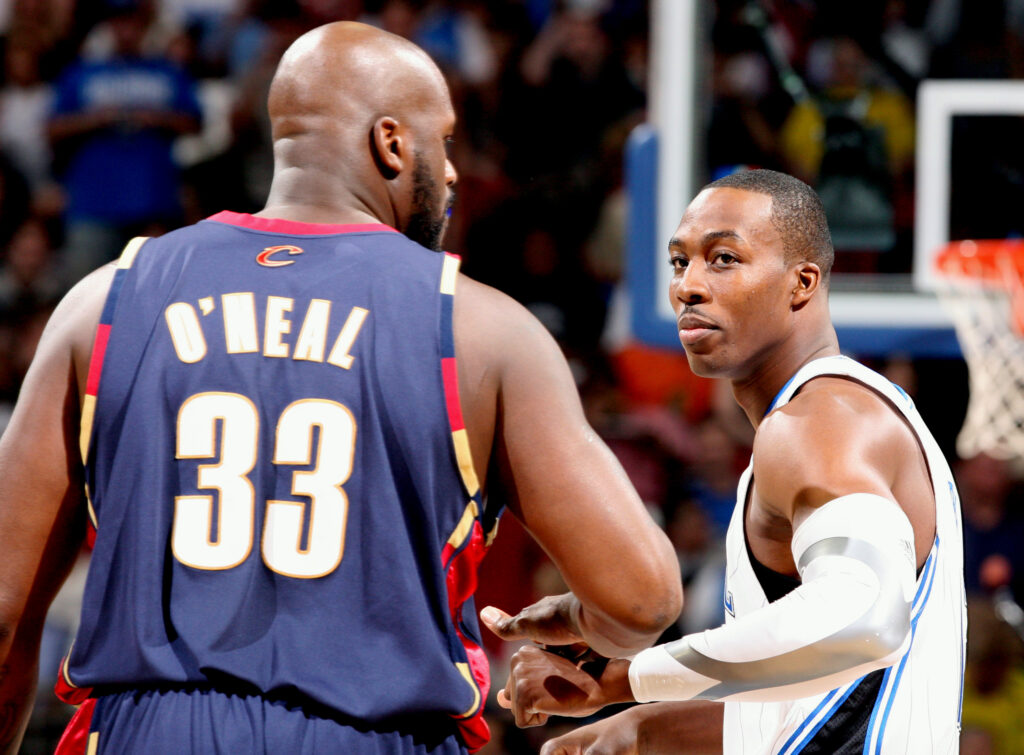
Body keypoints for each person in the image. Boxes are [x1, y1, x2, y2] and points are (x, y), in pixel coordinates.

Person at [0, 22, 682, 755]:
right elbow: (642, 597)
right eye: (444, 140)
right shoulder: (481, 328)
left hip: (150, 731)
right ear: (391, 142)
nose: (452, 172)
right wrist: (576, 626)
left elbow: (5, 611)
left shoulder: (106, 300)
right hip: (371, 735)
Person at [489, 169, 966, 753]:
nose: (689, 284)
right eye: (679, 262)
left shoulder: (820, 422)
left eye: (723, 259)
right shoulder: (827, 419)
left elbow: (862, 623)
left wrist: (623, 680)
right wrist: (639, 730)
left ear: (802, 282)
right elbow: (808, 705)